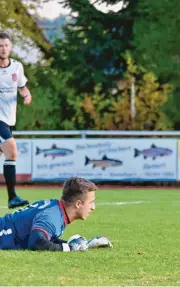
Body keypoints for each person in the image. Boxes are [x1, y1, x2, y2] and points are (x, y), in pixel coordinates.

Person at [0, 176, 112, 251]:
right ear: (78, 204)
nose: (93, 207)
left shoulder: (56, 208)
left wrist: (86, 244)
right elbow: (36, 242)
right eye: (91, 202)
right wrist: (69, 248)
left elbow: (47, 239)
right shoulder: (53, 215)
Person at [0, 31, 32, 209]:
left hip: (8, 120)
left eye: (6, 45)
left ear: (10, 47)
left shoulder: (17, 67)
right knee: (12, 152)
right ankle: (12, 197)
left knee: (5, 156)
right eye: (0, 46)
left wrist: (26, 95)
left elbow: (22, 87)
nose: (3, 49)